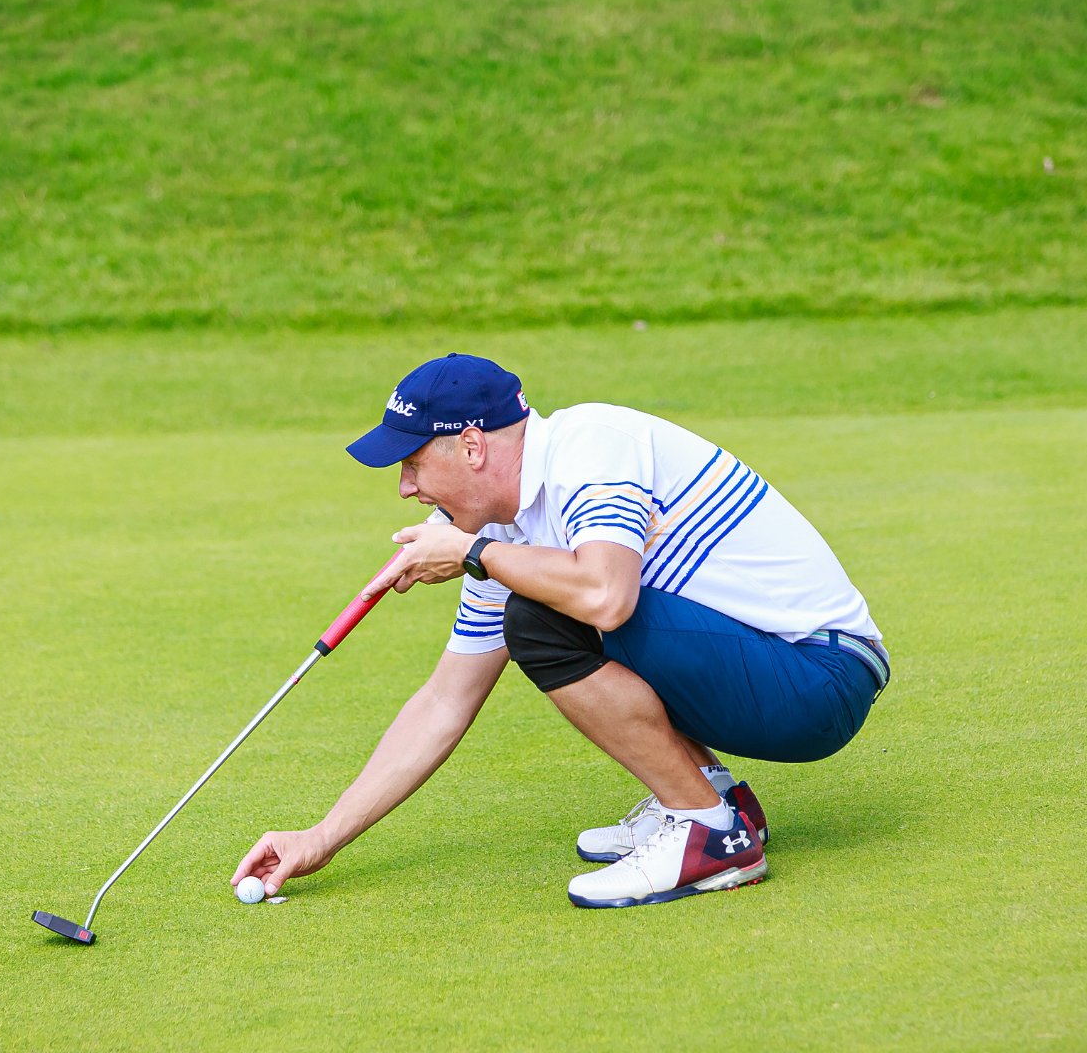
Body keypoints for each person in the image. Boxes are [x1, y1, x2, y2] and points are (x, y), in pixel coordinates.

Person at [231, 354, 888, 908]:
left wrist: (471, 554)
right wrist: (322, 835)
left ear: (471, 444)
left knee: (542, 614)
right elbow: (445, 702)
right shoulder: (501, 536)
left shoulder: (589, 449)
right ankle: (707, 793)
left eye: (412, 462)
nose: (405, 488)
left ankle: (710, 833)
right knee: (539, 600)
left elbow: (606, 595)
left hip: (817, 677)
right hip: (762, 667)